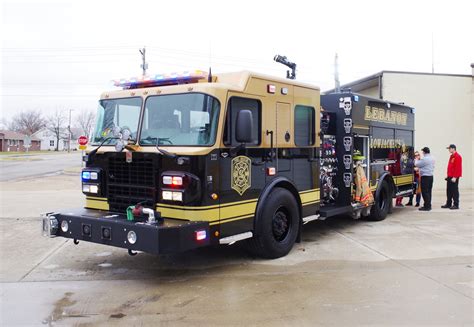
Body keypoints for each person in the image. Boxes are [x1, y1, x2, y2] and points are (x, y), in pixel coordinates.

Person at [441, 144, 462, 209]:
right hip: (450, 176)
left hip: (454, 177)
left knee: (454, 191)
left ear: (453, 148)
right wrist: (448, 176)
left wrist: (455, 177)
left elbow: (458, 168)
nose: (449, 150)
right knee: (449, 191)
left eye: (450, 149)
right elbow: (451, 167)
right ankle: (448, 203)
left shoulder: (457, 156)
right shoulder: (452, 156)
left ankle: (456, 204)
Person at [415, 147, 435, 211]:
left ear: (424, 152)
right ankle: (428, 205)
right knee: (429, 191)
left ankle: (427, 206)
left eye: (422, 152)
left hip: (425, 177)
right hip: (430, 176)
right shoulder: (432, 158)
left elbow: (417, 164)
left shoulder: (425, 159)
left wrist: (416, 159)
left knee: (425, 192)